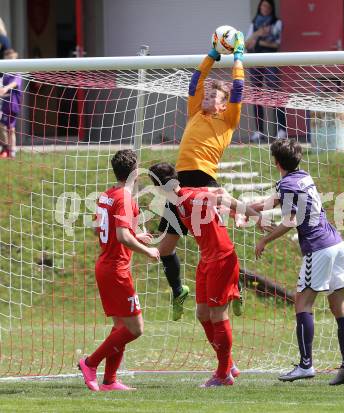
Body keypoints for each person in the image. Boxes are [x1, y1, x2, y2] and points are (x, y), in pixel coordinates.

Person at [251, 139, 344, 385]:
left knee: (302, 303)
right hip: (336, 244)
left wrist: (264, 241)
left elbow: (289, 221)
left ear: (276, 162)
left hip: (318, 248)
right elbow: (272, 201)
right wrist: (242, 208)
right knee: (338, 304)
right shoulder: (302, 177)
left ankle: (305, 365)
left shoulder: (287, 184)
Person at [157, 31, 245, 321]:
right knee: (165, 246)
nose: (206, 97)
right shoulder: (195, 112)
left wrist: (238, 58)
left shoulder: (228, 120)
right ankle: (178, 289)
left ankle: (234, 287)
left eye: (214, 96)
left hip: (206, 182)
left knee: (215, 244)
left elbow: (239, 88)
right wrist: (211, 55)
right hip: (181, 185)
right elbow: (195, 81)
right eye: (206, 94)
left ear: (223, 104)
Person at [148, 162, 260, 387]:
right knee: (202, 314)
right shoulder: (178, 202)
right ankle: (228, 364)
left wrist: (254, 215)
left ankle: (223, 374)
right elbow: (217, 193)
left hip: (221, 259)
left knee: (218, 316)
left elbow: (222, 197)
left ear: (159, 188)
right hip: (207, 259)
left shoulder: (189, 197)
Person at [78, 149, 160, 392]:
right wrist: (148, 251)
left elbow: (98, 229)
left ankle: (110, 381)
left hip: (106, 265)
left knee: (120, 328)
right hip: (116, 270)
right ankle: (89, 362)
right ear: (135, 171)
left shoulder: (107, 195)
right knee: (135, 329)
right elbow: (122, 236)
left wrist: (136, 235)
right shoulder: (124, 197)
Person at [245, 0, 286, 142]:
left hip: (270, 59)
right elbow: (246, 43)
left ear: (272, 9)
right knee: (256, 95)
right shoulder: (254, 22)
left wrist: (258, 42)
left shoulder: (277, 23)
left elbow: (275, 43)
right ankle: (259, 131)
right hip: (255, 60)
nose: (265, 8)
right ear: (259, 7)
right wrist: (258, 33)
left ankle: (281, 130)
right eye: (263, 6)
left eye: (268, 6)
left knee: (275, 94)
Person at [0, 49, 22, 158]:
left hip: (13, 103)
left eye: (12, 58)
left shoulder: (17, 70)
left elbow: (15, 82)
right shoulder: (5, 72)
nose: (10, 60)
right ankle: (6, 149)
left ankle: (11, 151)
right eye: (8, 58)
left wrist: (6, 88)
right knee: (3, 126)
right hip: (5, 102)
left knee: (10, 128)